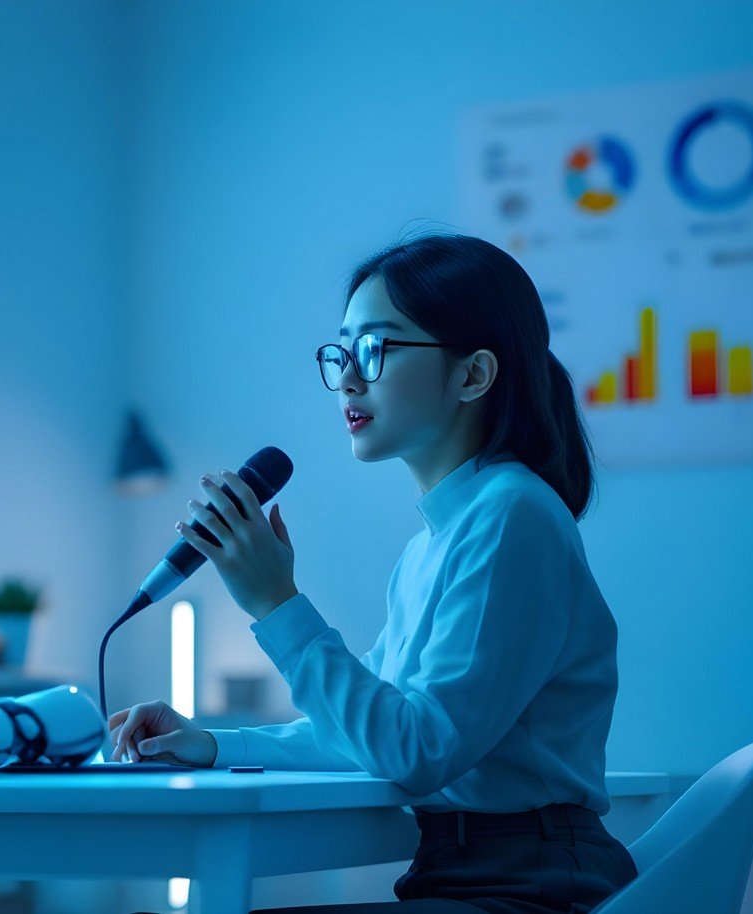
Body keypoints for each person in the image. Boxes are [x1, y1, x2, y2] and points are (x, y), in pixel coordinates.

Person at [107, 234, 636, 913]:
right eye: (344, 351)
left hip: (529, 885)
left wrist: (276, 601)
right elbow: (375, 732)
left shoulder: (512, 515)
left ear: (474, 375)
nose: (350, 379)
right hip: (466, 874)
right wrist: (211, 743)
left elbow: (417, 750)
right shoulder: (438, 543)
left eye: (377, 348)